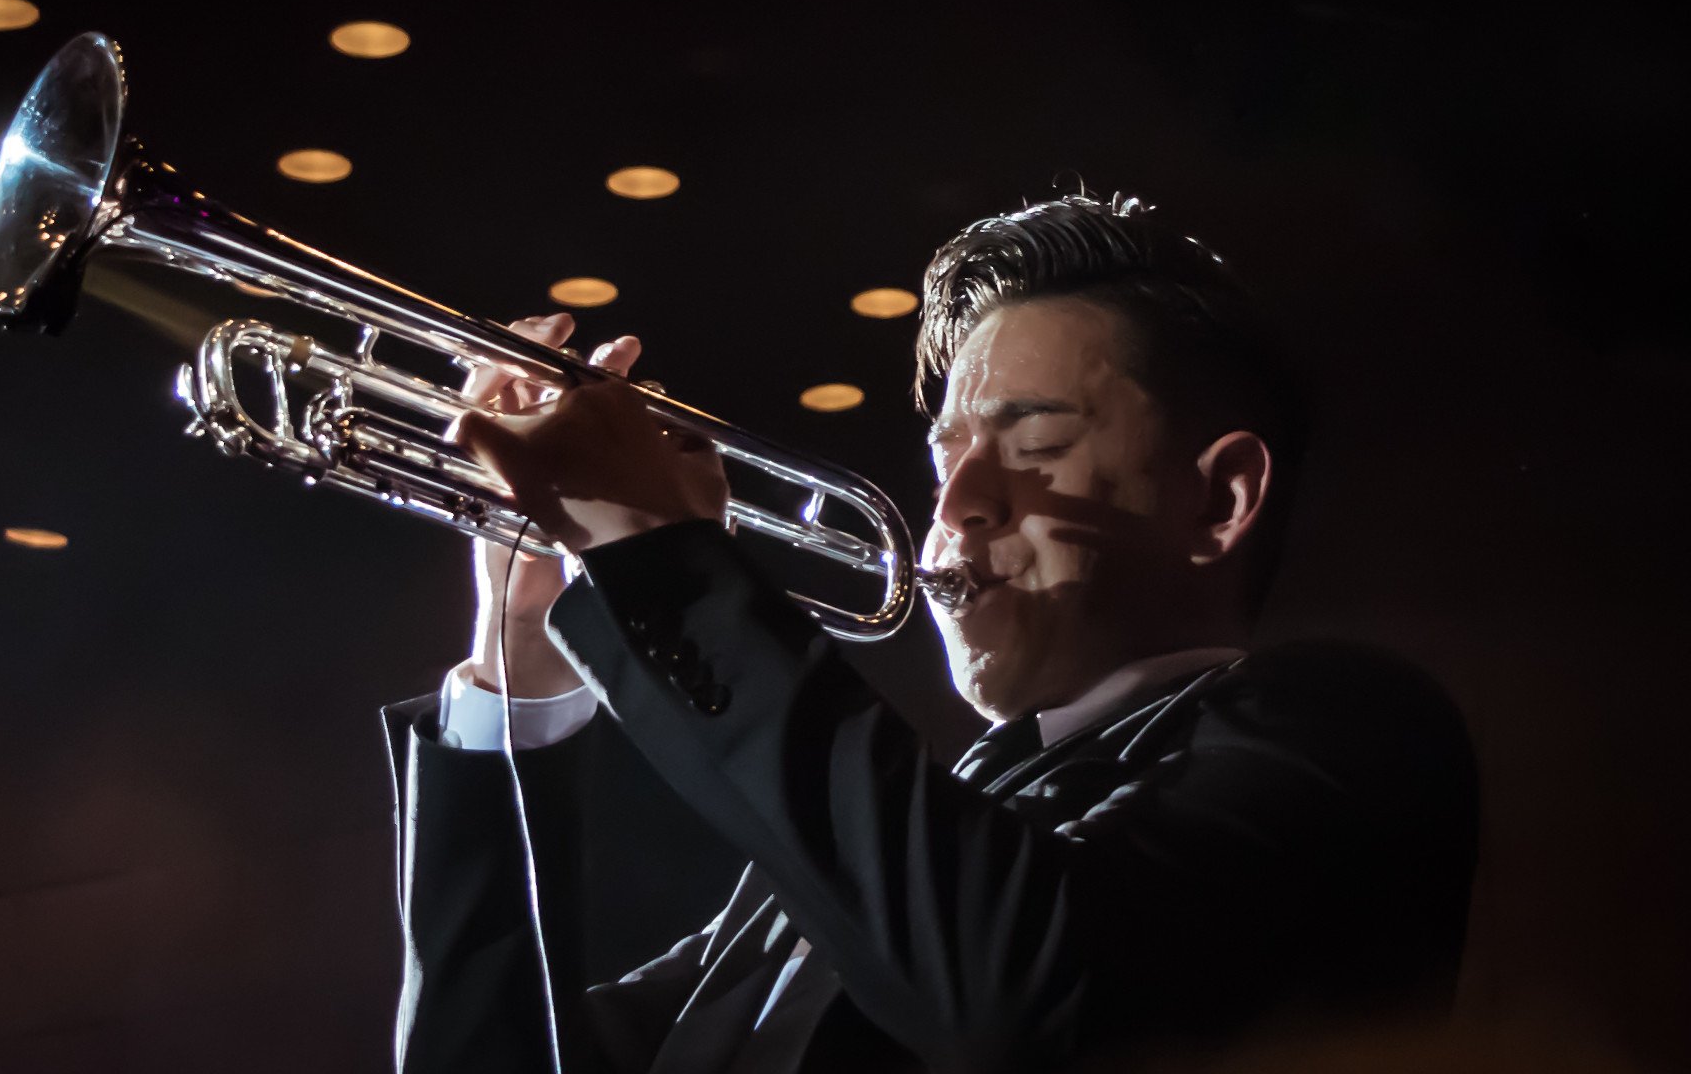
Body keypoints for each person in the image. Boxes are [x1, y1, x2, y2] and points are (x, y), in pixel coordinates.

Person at [383, 192, 1479, 1074]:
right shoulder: (880, 842)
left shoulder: (1347, 722)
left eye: (1035, 440)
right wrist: (522, 652)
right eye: (946, 457)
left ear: (1220, 499)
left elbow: (1037, 1000)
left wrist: (656, 553)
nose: (954, 506)